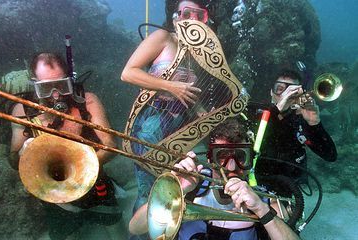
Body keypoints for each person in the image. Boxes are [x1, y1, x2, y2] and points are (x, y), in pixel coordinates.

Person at [9, 52, 126, 239]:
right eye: (46, 88)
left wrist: (80, 171)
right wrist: (23, 153)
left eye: (61, 85)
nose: (56, 95)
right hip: (53, 193)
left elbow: (111, 145)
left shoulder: (87, 101)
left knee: (116, 230)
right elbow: (13, 158)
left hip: (93, 181)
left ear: (70, 79)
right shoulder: (22, 110)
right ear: (35, 85)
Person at [121, 1, 212, 235]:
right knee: (148, 189)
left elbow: (188, 91)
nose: (191, 18)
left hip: (180, 128)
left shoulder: (197, 52)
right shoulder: (163, 37)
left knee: (173, 183)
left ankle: (167, 233)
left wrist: (201, 109)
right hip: (150, 126)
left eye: (198, 14)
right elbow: (128, 73)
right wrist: (170, 87)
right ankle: (141, 235)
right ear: (175, 17)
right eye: (186, 13)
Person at [128, 118, 301, 240]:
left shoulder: (265, 201)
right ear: (210, 160)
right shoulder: (192, 189)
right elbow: (135, 228)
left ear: (250, 160)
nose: (232, 166)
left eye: (240, 156)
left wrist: (261, 209)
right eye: (222, 156)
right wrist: (174, 189)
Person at [256, 69, 337, 184]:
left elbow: (330, 155)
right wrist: (276, 111)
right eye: (279, 89)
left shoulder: (299, 120)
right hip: (256, 182)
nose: (285, 95)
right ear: (271, 92)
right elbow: (253, 147)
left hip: (290, 188)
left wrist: (315, 124)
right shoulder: (258, 114)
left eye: (292, 91)